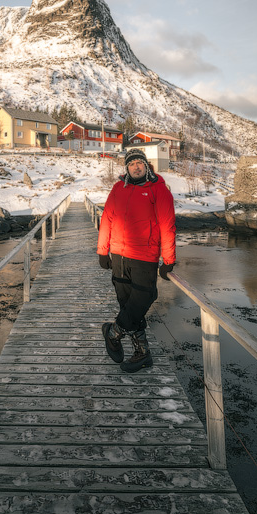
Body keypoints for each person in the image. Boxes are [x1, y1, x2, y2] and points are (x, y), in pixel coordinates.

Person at [97, 148, 176, 372]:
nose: (136, 167)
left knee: (145, 297)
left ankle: (113, 332)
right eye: (132, 164)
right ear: (127, 167)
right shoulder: (117, 189)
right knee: (129, 306)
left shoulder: (159, 190)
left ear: (147, 166)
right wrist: (103, 251)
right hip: (119, 256)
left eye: (140, 163)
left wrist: (168, 259)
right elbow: (107, 219)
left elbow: (167, 226)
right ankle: (143, 353)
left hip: (144, 256)